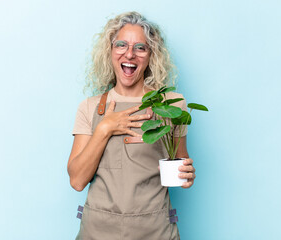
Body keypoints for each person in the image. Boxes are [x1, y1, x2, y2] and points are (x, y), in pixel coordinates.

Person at [68, 11, 196, 240]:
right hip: (98, 232)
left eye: (140, 47)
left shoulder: (172, 105)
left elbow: (181, 168)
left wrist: (187, 175)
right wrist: (105, 128)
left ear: (151, 56)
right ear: (110, 51)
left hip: (155, 231)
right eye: (121, 45)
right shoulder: (89, 108)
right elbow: (77, 181)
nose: (130, 54)